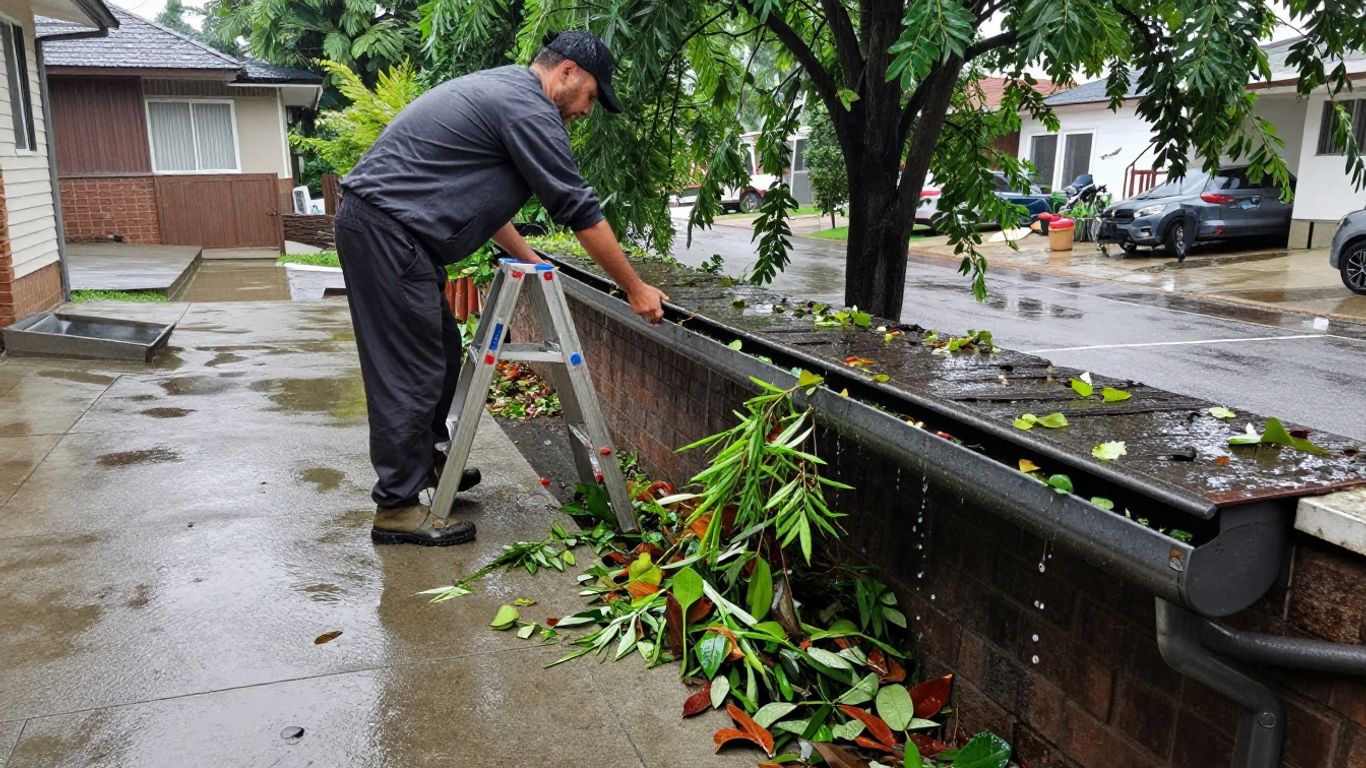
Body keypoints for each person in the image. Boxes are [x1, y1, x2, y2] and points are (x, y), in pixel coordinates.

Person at [335, 30, 668, 547]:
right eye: (591, 98)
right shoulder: (530, 108)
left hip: (392, 233)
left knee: (441, 350)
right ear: (568, 73)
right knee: (410, 369)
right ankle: (396, 508)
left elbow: (486, 206)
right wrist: (634, 288)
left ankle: (422, 464)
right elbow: (578, 207)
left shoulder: (509, 95)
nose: (586, 111)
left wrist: (531, 259)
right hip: (387, 233)